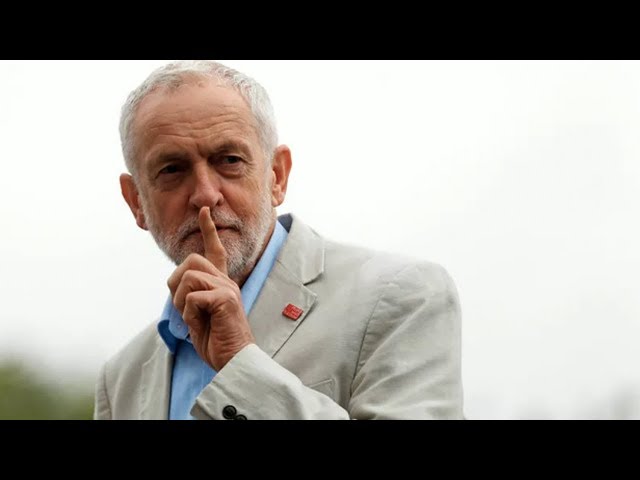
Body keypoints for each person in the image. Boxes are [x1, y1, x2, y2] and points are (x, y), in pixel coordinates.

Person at [93, 60, 464, 420]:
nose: (205, 194)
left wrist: (241, 363)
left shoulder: (403, 297)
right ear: (136, 201)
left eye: (229, 160)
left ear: (277, 176)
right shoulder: (121, 379)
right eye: (172, 169)